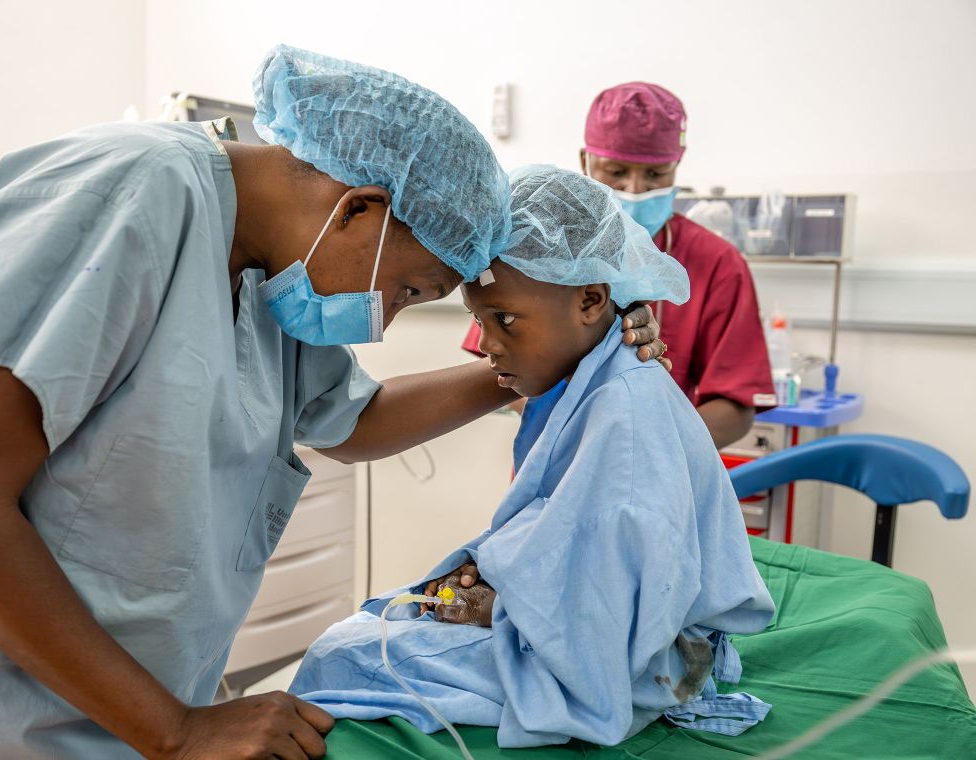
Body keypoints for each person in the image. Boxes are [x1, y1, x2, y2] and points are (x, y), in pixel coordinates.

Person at [0, 47, 666, 760]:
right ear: (359, 212)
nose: (391, 319)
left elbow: (352, 423)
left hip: (112, 714)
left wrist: (535, 366)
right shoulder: (132, 195)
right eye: (411, 288)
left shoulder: (269, 279)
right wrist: (176, 730)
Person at [291, 167, 774, 748]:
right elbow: (569, 531)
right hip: (643, 641)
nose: (488, 343)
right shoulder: (592, 379)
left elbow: (611, 618)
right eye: (479, 319)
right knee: (376, 633)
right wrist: (495, 575)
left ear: (592, 299)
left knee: (347, 657)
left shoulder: (623, 414)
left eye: (506, 320)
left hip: (662, 666)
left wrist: (505, 606)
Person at [461, 82, 775, 449]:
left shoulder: (718, 264)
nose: (635, 189)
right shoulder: (531, 242)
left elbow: (736, 402)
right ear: (585, 162)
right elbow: (493, 355)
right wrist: (573, 420)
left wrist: (648, 446)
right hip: (554, 457)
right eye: (616, 171)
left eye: (656, 175)